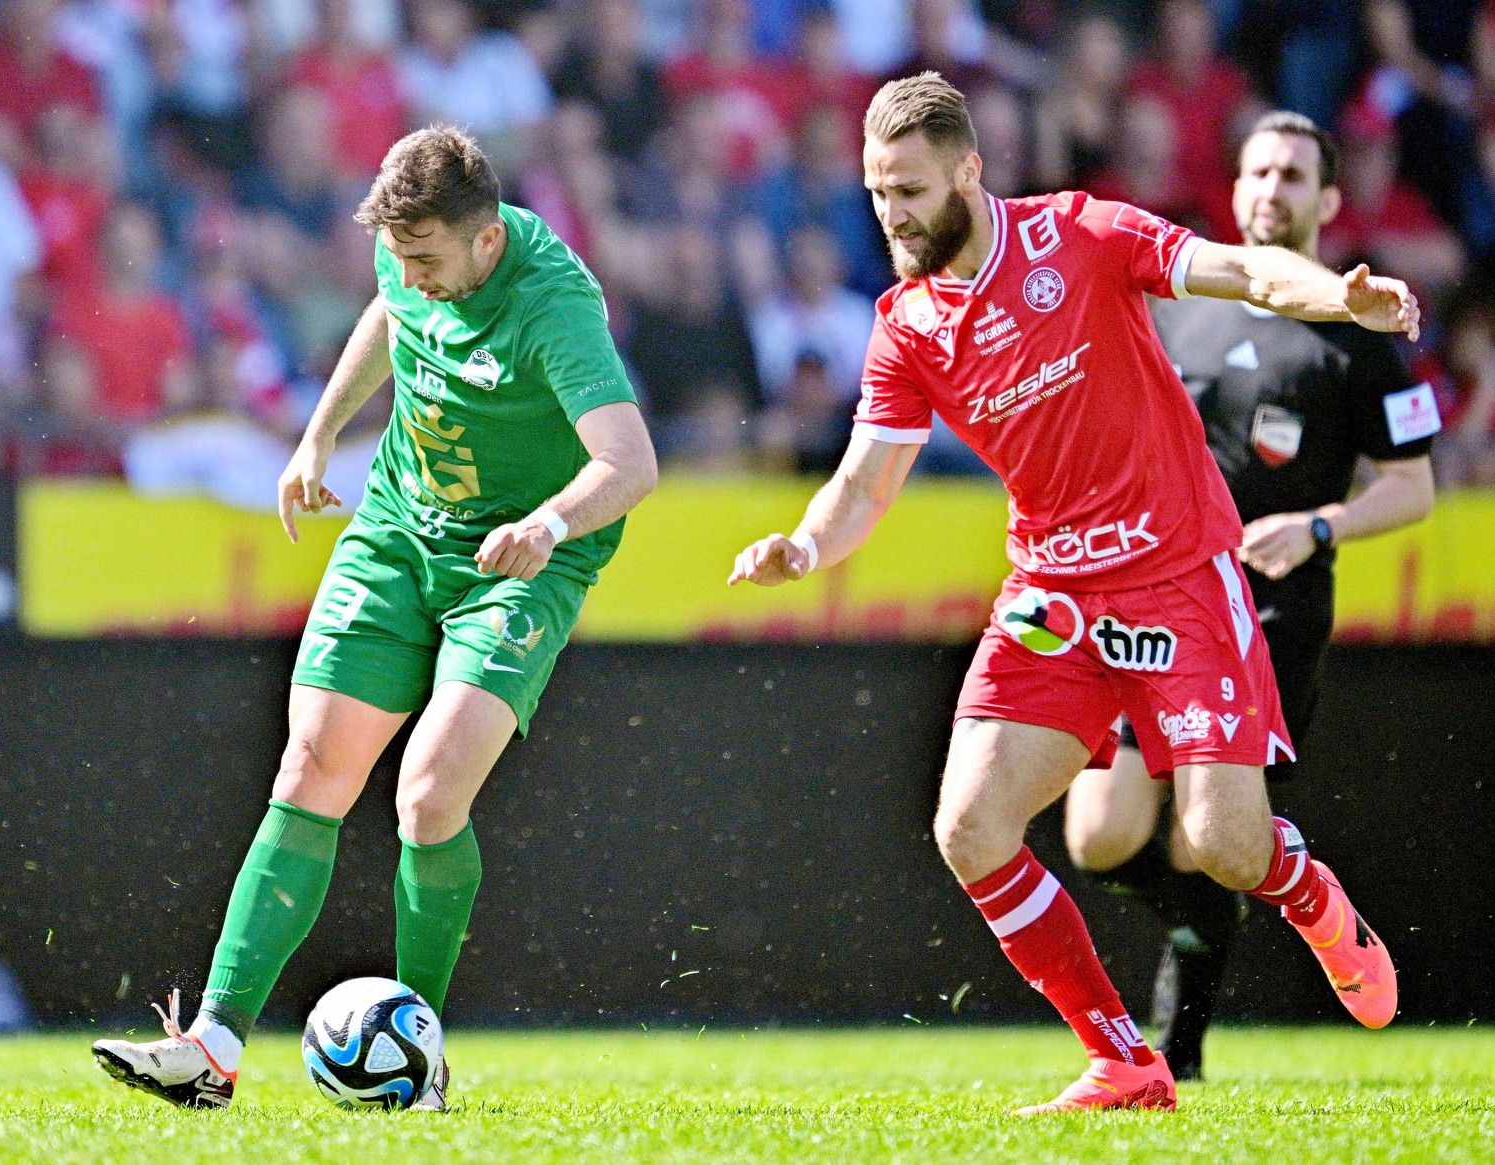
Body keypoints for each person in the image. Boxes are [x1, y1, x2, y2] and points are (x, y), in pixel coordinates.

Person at [730, 73, 1417, 1114]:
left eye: (909, 188)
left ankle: (1314, 897)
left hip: (1180, 570)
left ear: (969, 168)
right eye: (876, 193)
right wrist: (805, 545)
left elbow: (1235, 267)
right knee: (969, 826)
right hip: (1056, 592)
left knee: (1228, 846)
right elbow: (866, 481)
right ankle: (1123, 1058)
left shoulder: (1080, 233)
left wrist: (1340, 298)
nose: (892, 213)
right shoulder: (908, 326)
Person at [92, 125, 657, 1110]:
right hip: (400, 526)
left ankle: (420, 1056)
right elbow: (386, 318)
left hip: (518, 559)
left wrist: (548, 523)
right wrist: (318, 437)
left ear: (486, 244)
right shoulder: (409, 254)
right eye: (398, 257)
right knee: (310, 767)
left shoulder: (552, 305)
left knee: (431, 795)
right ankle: (212, 1047)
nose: (412, 276)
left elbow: (632, 463)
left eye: (429, 260)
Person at [1062, 111, 1439, 1082]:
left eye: (1294, 175)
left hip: (1271, 608)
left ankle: (1175, 1051)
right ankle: (1204, 924)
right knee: (1099, 832)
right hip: (1151, 592)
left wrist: (1317, 525)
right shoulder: (1179, 299)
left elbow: (1414, 486)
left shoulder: (1355, 330)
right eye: (1259, 170)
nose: (1272, 188)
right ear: (1234, 189)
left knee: (1206, 838)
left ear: (1327, 200)